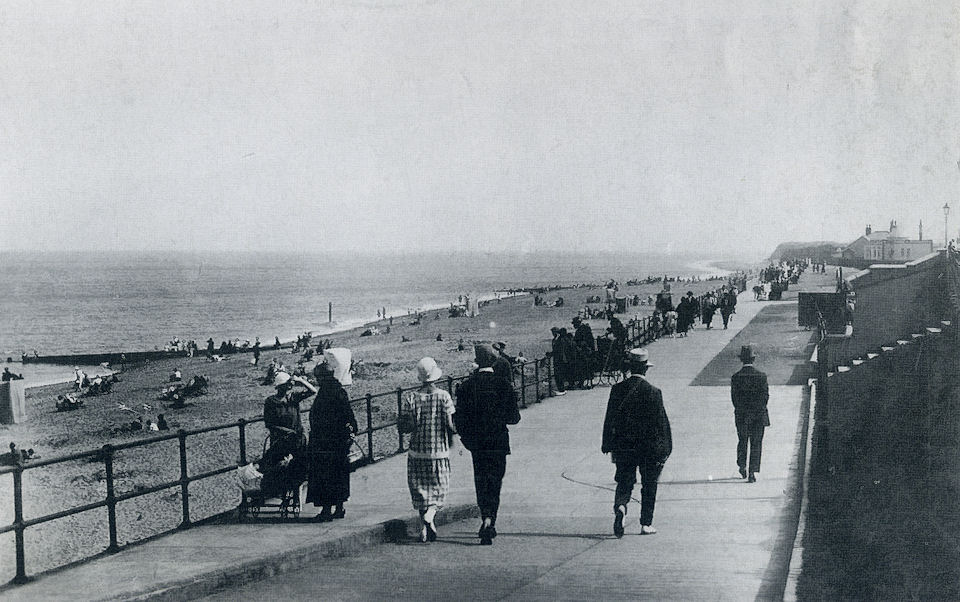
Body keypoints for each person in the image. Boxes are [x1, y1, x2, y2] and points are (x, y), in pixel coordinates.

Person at [454, 344, 521, 545]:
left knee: (481, 480)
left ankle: (485, 515)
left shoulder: (467, 386)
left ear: (477, 362)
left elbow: (460, 420)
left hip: (477, 443)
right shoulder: (503, 385)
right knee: (495, 481)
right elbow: (514, 418)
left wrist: (467, 439)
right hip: (498, 440)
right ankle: (491, 518)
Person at [601, 348, 672, 537]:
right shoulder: (654, 392)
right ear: (646, 369)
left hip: (623, 446)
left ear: (630, 367)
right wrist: (665, 448)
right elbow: (661, 424)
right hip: (648, 447)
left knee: (624, 481)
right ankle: (646, 523)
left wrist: (606, 443)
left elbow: (609, 418)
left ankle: (621, 506)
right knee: (649, 484)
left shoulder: (617, 390)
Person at [399, 357, 456, 543]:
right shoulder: (444, 396)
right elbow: (450, 424)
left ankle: (424, 529)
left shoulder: (411, 398)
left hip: (417, 451)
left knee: (420, 490)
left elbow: (406, 425)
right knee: (439, 487)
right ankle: (431, 514)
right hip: (438, 450)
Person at [306, 360, 358, 521]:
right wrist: (351, 432)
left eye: (318, 377)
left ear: (322, 377)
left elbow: (321, 418)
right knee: (339, 474)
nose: (317, 380)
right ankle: (339, 508)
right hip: (340, 441)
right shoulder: (339, 390)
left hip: (325, 441)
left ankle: (326, 510)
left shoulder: (325, 393)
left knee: (325, 475)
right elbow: (349, 415)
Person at [262, 372, 313, 495]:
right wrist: (286, 431)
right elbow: (269, 424)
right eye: (287, 383)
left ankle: (296, 492)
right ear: (280, 386)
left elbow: (313, 391)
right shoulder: (270, 402)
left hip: (297, 439)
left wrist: (301, 381)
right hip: (281, 440)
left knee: (299, 466)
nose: (290, 385)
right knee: (281, 467)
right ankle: (284, 492)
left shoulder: (293, 398)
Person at [731, 345, 769, 483]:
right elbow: (765, 397)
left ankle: (742, 466)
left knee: (742, 440)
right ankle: (752, 472)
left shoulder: (736, 377)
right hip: (758, 415)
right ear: (753, 359)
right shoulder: (761, 376)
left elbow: (734, 399)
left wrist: (743, 410)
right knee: (756, 443)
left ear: (741, 359)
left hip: (742, 415)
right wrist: (757, 410)